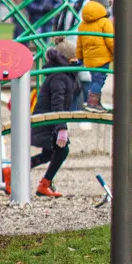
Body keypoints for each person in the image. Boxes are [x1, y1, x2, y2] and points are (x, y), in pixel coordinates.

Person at [30, 44, 82, 197]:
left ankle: (12, 173)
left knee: (49, 153)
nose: (77, 61)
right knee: (61, 150)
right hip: (47, 121)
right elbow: (57, 103)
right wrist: (61, 127)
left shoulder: (65, 74)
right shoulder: (59, 76)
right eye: (74, 58)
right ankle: (43, 183)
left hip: (50, 120)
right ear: (67, 59)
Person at [68, 0, 113, 109]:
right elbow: (111, 41)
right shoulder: (105, 22)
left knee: (94, 79)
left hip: (89, 59)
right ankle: (92, 103)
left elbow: (79, 43)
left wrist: (80, 58)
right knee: (99, 80)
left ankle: (94, 102)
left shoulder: (83, 23)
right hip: (102, 58)